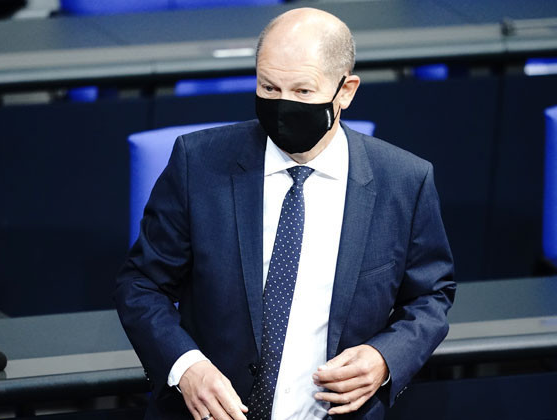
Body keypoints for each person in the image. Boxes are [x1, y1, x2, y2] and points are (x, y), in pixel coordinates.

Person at [115, 7, 455, 420]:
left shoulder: (404, 182)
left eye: (303, 91)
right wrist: (186, 367)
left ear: (345, 91)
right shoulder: (198, 163)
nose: (282, 105)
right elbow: (141, 284)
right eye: (269, 87)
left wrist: (385, 358)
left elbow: (430, 296)